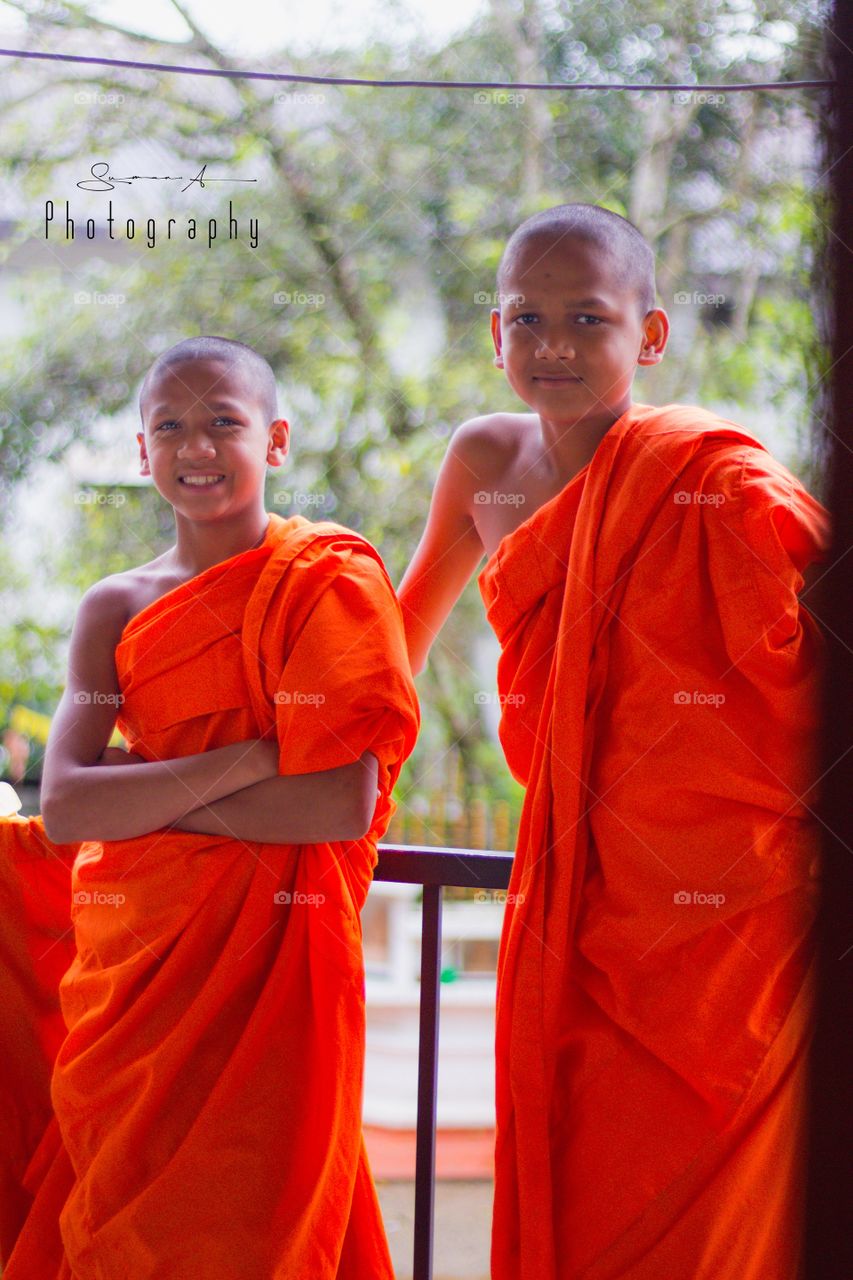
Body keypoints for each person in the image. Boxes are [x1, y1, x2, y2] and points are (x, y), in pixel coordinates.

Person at [398, 204, 828, 1280]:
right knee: (585, 1184)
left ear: (650, 334)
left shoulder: (713, 478)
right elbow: (392, 648)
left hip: (727, 925)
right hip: (573, 904)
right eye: (526, 318)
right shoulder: (484, 459)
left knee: (711, 1222)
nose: (551, 344)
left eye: (586, 318)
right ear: (494, 333)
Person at [0, 335, 419, 1279]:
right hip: (139, 974)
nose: (196, 447)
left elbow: (336, 803)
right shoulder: (115, 606)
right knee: (125, 1210)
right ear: (141, 450)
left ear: (274, 441)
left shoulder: (327, 581)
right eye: (170, 428)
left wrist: (144, 797)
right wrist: (252, 760)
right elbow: (65, 805)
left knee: (258, 1216)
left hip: (277, 968)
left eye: (223, 422)